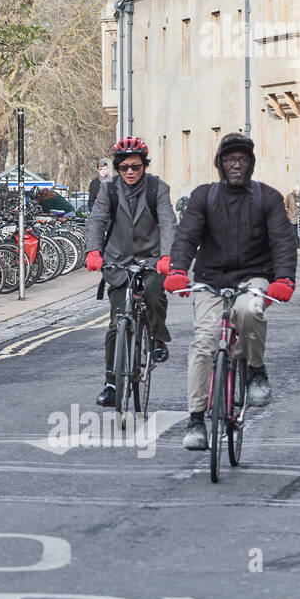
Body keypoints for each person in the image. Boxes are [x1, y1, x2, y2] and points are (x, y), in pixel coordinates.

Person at [164, 133, 298, 450]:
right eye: (229, 160)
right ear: (220, 164)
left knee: (248, 311)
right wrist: (178, 270)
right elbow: (186, 236)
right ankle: (196, 421)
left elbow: (282, 242)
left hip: (254, 277)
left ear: (250, 164)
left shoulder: (269, 198)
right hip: (210, 280)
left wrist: (285, 280)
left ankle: (256, 371)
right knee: (203, 342)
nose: (235, 165)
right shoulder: (203, 197)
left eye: (242, 159)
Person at [83, 136, 178, 408]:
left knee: (153, 291)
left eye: (135, 166)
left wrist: (168, 256)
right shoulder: (109, 190)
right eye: (124, 167)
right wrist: (93, 251)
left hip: (151, 259)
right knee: (116, 322)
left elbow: (168, 222)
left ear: (144, 166)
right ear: (117, 168)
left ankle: (158, 338)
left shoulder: (157, 188)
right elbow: (96, 220)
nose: (130, 172)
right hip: (118, 262)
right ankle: (112, 383)